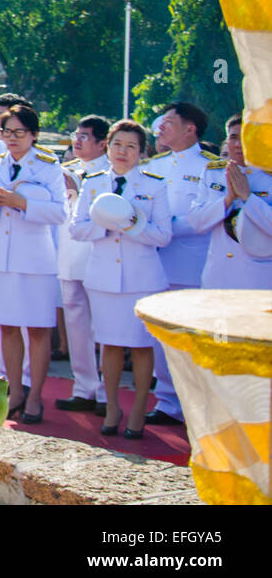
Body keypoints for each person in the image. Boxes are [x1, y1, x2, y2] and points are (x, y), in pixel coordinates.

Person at [70, 119, 170, 439]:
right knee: (110, 345)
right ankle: (112, 406)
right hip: (103, 277)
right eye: (117, 145)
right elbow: (77, 228)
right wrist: (105, 225)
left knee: (141, 346)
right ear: (107, 147)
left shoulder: (155, 185)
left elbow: (163, 236)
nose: (122, 152)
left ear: (142, 152)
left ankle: (139, 408)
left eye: (131, 146)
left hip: (142, 278)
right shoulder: (94, 182)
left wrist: (130, 224)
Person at [0, 104, 66, 423]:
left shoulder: (48, 165)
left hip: (35, 259)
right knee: (7, 326)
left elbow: (59, 213)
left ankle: (35, 396)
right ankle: (14, 390)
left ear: (34, 135)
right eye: (6, 132)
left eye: (19, 132)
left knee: (38, 329)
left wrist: (21, 202)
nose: (11, 138)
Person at [143, 101, 216, 426]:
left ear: (190, 129)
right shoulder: (156, 165)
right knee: (162, 336)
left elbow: (207, 216)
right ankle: (168, 402)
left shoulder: (210, 167)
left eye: (170, 122)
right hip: (158, 262)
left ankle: (199, 405)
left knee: (193, 337)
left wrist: (166, 225)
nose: (161, 127)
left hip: (193, 263)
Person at [54, 114, 111, 414]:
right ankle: (84, 387)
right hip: (69, 256)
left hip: (98, 256)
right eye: (76, 134)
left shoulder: (111, 173)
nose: (77, 140)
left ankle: (105, 392)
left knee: (102, 328)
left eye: (85, 136)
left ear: (103, 143)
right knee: (76, 327)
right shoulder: (64, 171)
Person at [187, 114, 272, 291]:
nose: (238, 144)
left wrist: (248, 197)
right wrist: (227, 200)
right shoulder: (214, 173)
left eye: (244, 137)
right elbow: (196, 222)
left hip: (258, 279)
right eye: (233, 137)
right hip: (218, 275)